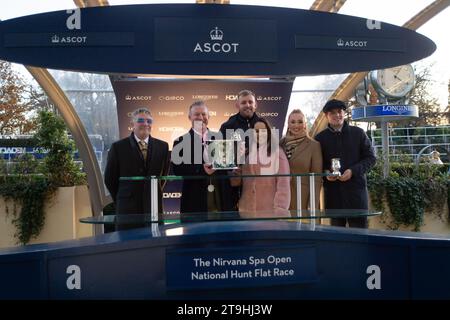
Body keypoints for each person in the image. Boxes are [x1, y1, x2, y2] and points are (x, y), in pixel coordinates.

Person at [104, 107, 169, 230]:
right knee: (127, 246)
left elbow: (162, 177)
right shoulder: (118, 147)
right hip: (127, 210)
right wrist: (122, 198)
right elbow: (110, 179)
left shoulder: (163, 147)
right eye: (140, 120)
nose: (145, 124)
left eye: (149, 121)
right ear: (132, 124)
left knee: (154, 245)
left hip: (154, 208)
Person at [314, 99, 376, 228]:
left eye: (339, 111)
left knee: (360, 236)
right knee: (337, 238)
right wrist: (325, 173)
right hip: (333, 195)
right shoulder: (320, 138)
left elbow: (371, 158)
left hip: (356, 195)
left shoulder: (358, 133)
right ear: (326, 116)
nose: (337, 115)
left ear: (344, 113)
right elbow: (318, 165)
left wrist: (352, 171)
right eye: (332, 113)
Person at [171, 101, 223, 218]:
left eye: (204, 114)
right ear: (190, 117)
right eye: (197, 114)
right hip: (194, 201)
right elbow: (177, 170)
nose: (201, 117)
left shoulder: (220, 138)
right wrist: (201, 169)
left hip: (220, 199)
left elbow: (225, 165)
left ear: (209, 116)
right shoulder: (180, 141)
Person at [237, 118, 291, 218]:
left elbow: (283, 184)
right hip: (248, 212)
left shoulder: (277, 153)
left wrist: (280, 209)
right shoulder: (248, 153)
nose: (259, 134)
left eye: (263, 131)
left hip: (269, 212)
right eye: (256, 131)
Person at [219, 89, 262, 211]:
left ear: (255, 104)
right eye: (243, 102)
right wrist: (233, 169)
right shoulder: (227, 126)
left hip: (259, 184)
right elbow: (220, 159)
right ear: (237, 105)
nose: (247, 105)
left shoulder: (263, 125)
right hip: (234, 187)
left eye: (250, 102)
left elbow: (271, 154)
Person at [280, 109, 322, 215]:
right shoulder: (280, 144)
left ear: (304, 124)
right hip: (281, 199)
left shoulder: (314, 145)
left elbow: (316, 178)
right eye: (292, 122)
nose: (296, 125)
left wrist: (312, 204)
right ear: (288, 124)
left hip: (302, 199)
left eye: (300, 122)